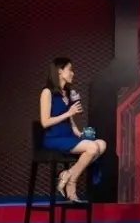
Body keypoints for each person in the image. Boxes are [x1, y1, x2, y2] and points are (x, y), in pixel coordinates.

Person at [39, 57, 107, 202]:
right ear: (60, 71)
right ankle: (72, 183)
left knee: (101, 144)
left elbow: (70, 120)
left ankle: (67, 174)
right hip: (54, 137)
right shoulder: (47, 92)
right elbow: (45, 122)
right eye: (70, 69)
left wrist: (78, 132)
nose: (72, 73)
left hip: (68, 135)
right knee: (92, 148)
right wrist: (68, 113)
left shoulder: (67, 93)